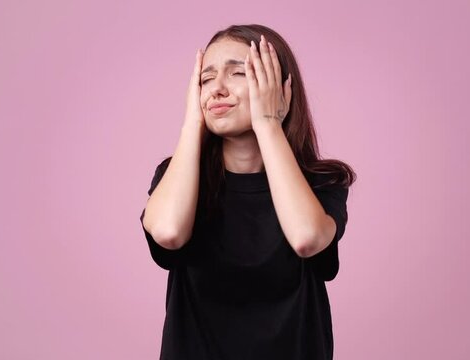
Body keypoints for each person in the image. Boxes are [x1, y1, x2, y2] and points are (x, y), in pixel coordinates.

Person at [140, 24, 356, 360]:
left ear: (281, 88)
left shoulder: (322, 183)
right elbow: (168, 232)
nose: (217, 89)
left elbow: (306, 238)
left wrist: (268, 123)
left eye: (237, 72)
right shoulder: (177, 176)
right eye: (205, 79)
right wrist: (191, 124)